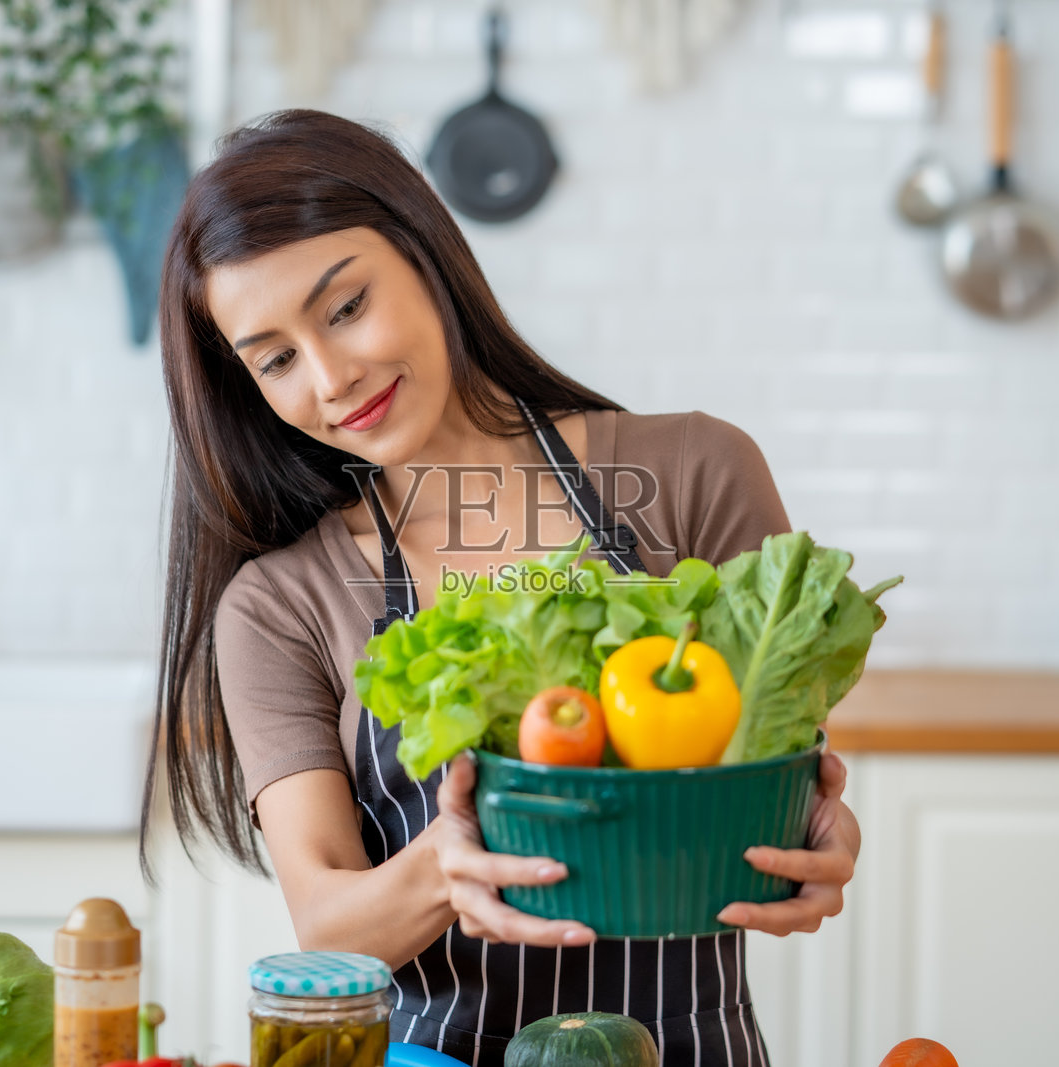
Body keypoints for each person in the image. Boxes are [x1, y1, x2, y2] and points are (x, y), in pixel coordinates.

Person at [143, 109, 860, 1067]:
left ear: (426, 251)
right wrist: (451, 865)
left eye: (346, 307)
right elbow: (327, 925)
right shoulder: (281, 604)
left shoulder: (696, 474)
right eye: (275, 358)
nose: (330, 376)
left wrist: (814, 828)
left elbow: (778, 777)